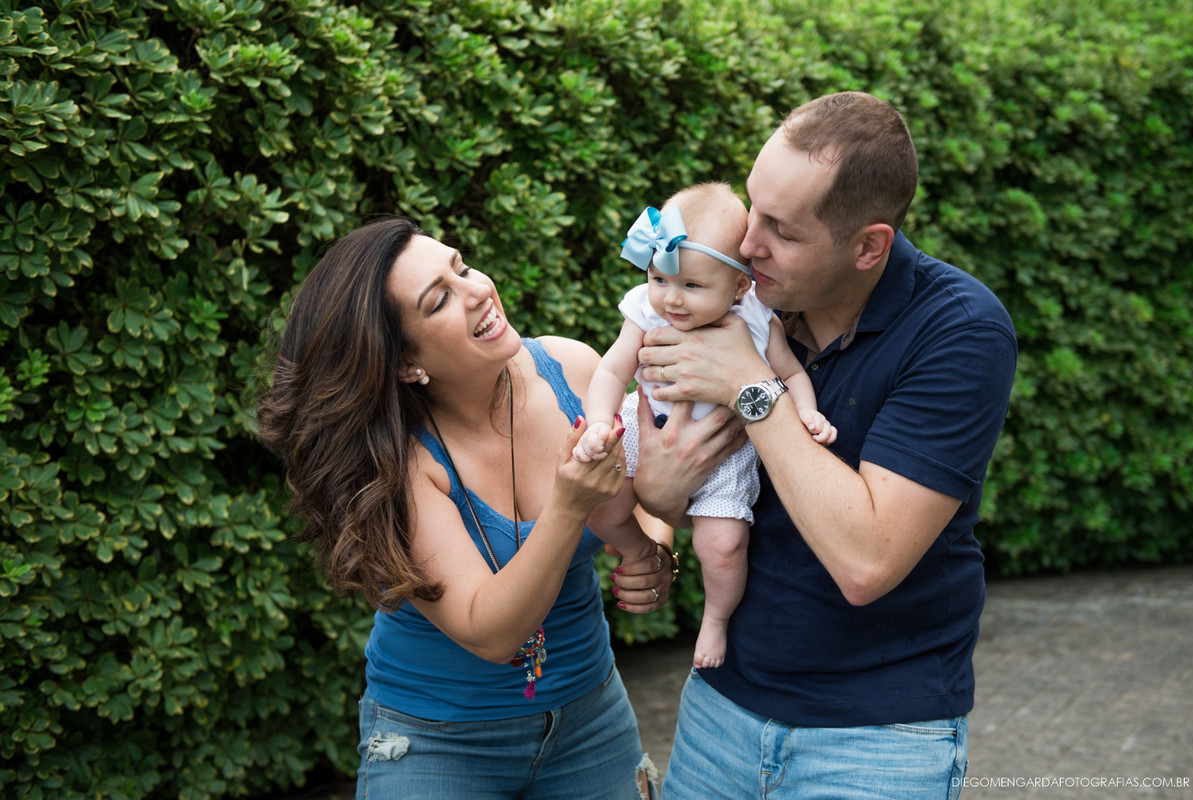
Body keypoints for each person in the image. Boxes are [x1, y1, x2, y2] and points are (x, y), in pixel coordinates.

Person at [632, 92, 1019, 798]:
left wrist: (753, 389)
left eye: (781, 230)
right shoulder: (741, 303)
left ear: (869, 246)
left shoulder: (959, 330)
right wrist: (658, 507)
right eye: (753, 207)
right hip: (720, 706)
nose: (746, 244)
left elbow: (866, 560)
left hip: (877, 737)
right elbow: (693, 482)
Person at [254, 216, 677, 799]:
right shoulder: (396, 463)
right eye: (439, 300)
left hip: (591, 719)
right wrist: (568, 504)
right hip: (438, 741)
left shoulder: (573, 370)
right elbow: (490, 633)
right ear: (405, 362)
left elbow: (650, 472)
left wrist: (654, 549)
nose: (478, 290)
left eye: (463, 267)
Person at [572, 183, 836, 670]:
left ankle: (715, 619)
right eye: (659, 278)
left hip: (727, 448)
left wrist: (806, 412)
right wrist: (599, 423)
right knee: (601, 507)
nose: (671, 298)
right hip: (643, 424)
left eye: (692, 286)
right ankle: (639, 551)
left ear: (739, 286)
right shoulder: (644, 309)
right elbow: (611, 370)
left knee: (724, 545)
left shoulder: (757, 319)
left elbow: (793, 374)